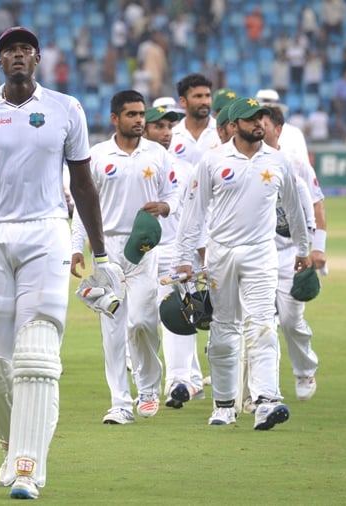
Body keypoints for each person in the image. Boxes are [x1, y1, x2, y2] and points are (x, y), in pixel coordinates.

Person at [0, 27, 119, 500]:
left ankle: (26, 468)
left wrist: (101, 254)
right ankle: (15, 442)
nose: (18, 55)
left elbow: (83, 185)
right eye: (9, 50)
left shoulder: (66, 109)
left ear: (37, 58)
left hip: (46, 229)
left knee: (37, 355)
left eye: (25, 49)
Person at [175, 97, 311, 430]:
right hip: (221, 253)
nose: (259, 124)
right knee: (223, 328)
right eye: (251, 119)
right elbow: (193, 213)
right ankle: (223, 404)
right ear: (234, 125)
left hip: (261, 252)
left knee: (263, 324)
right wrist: (183, 259)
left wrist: (304, 250)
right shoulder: (212, 161)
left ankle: (266, 400)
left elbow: (294, 210)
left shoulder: (279, 161)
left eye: (262, 118)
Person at [71, 91, 178, 425]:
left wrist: (165, 207)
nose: (139, 120)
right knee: (114, 329)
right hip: (108, 250)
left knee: (144, 322)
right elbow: (83, 205)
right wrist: (77, 246)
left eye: (141, 114)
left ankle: (148, 387)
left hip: (144, 250)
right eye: (131, 114)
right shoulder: (98, 155)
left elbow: (173, 193)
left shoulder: (158, 155)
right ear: (115, 118)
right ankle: (120, 403)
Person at [262, 106, 327, 403]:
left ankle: (304, 370)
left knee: (290, 320)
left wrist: (317, 248)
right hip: (259, 252)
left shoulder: (297, 164)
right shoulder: (247, 161)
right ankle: (262, 389)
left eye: (263, 124)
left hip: (291, 254)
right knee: (260, 323)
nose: (258, 129)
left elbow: (316, 206)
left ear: (278, 128)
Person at [142, 105, 204, 408]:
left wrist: (199, 255)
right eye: (159, 127)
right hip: (137, 254)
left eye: (170, 127)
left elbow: (197, 215)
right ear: (145, 129)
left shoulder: (185, 169)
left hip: (175, 254)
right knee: (139, 323)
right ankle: (147, 385)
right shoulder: (131, 164)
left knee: (176, 315)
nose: (166, 132)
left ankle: (179, 382)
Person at [170, 73, 221, 165]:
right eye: (198, 96)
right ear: (183, 101)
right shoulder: (172, 136)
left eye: (208, 95)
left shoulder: (222, 132)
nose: (205, 101)